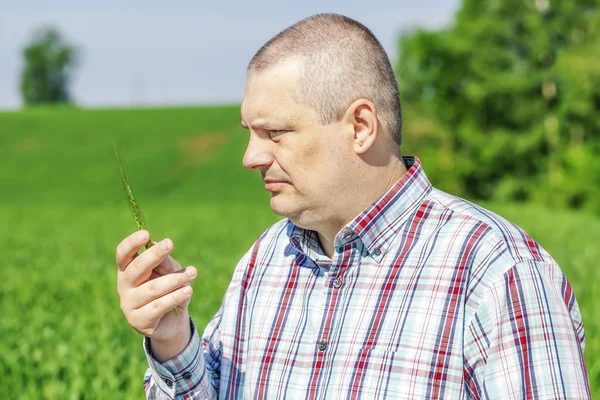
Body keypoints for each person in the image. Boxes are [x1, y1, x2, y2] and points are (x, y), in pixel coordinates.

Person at [115, 13, 591, 400]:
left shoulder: (496, 271)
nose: (250, 158)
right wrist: (173, 340)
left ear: (361, 126)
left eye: (275, 133)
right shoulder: (266, 260)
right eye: (250, 134)